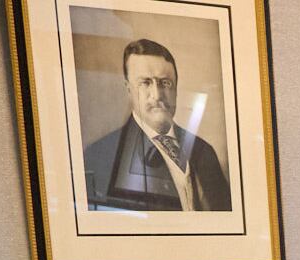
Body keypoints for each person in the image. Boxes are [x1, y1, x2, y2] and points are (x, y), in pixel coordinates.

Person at [82, 38, 232, 212]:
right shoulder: (102, 155)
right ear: (128, 89)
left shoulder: (205, 151)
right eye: (145, 83)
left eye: (165, 83)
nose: (157, 95)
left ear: (176, 88)